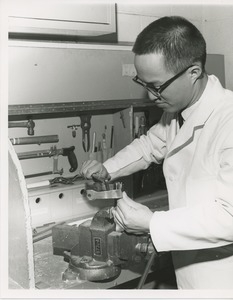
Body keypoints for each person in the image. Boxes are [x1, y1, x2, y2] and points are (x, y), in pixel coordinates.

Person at [81, 16, 233, 289]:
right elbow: (150, 145)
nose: (151, 96)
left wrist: (152, 222)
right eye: (144, 84)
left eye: (157, 86)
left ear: (194, 72)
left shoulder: (228, 121)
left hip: (221, 277)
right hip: (189, 268)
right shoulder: (179, 111)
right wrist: (109, 169)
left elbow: (229, 218)